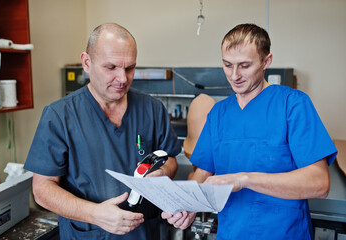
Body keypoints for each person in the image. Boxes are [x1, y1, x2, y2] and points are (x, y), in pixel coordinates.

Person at [162, 23, 338, 240]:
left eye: (245, 66)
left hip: (284, 233)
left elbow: (319, 183)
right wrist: (188, 207)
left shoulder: (293, 105)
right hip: (231, 233)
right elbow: (202, 175)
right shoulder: (219, 113)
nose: (234, 75)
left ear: (267, 61)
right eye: (227, 65)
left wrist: (245, 179)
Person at [24, 23, 181, 239]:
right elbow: (42, 190)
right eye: (111, 68)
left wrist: (163, 173)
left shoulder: (152, 110)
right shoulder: (60, 116)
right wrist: (94, 214)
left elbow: (170, 158)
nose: (123, 78)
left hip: (145, 232)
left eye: (129, 68)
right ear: (87, 63)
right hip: (90, 233)